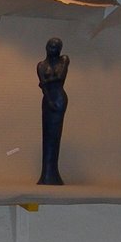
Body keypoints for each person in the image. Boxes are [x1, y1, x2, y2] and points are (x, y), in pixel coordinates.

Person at [37, 37, 69, 185]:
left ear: (60, 49)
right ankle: (47, 174)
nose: (52, 49)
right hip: (49, 100)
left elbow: (60, 76)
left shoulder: (64, 59)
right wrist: (49, 100)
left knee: (55, 134)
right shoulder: (41, 65)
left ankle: (53, 174)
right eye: (50, 46)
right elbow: (44, 87)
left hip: (59, 99)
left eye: (55, 47)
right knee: (47, 134)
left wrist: (45, 82)